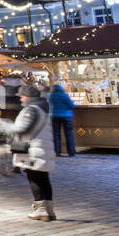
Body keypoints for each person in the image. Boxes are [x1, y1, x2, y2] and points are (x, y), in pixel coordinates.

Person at [10, 85, 56, 221]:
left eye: (22, 96)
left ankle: (41, 209)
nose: (20, 99)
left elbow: (22, 128)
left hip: (33, 149)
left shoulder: (31, 109)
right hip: (42, 147)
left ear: (28, 97)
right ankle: (48, 209)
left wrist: (6, 126)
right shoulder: (43, 109)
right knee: (43, 178)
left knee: (35, 178)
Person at [47, 82, 77, 157]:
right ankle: (71, 152)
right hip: (66, 116)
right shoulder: (64, 95)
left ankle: (57, 151)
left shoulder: (50, 96)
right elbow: (72, 106)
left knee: (56, 134)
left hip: (54, 116)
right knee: (69, 133)